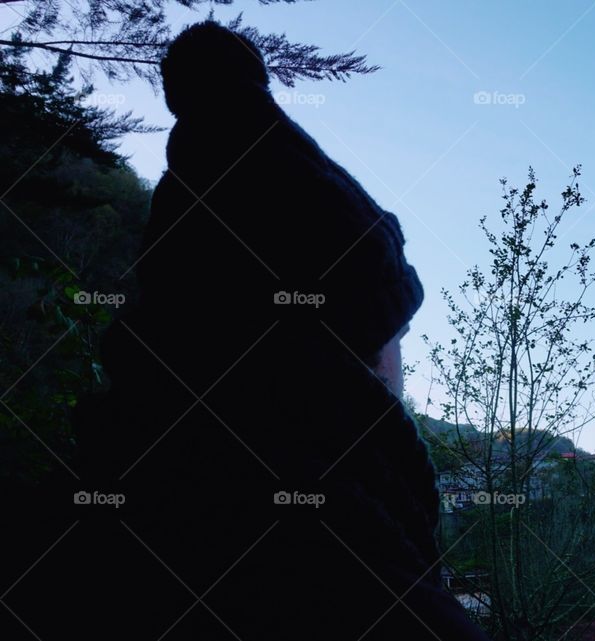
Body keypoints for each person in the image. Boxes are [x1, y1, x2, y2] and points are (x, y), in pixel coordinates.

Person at [0, 21, 490, 640]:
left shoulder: (48, 536)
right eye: (397, 329)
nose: (401, 355)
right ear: (349, 349)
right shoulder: (364, 587)